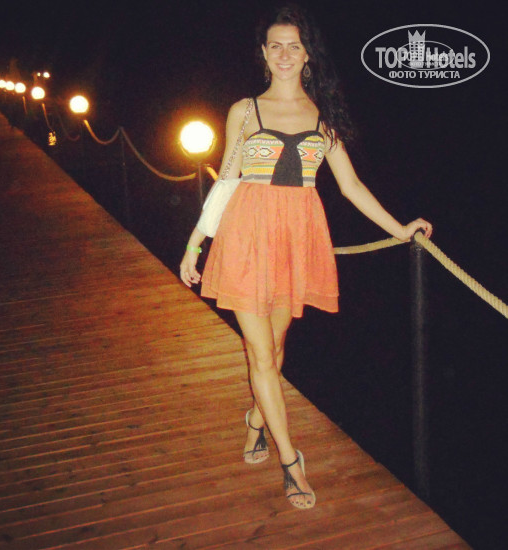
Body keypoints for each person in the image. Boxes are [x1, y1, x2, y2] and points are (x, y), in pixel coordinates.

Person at [180, 4, 432, 510]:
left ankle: (257, 418)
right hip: (246, 237)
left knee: (274, 349)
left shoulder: (323, 116)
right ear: (263, 53)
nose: (284, 54)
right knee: (259, 354)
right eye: (275, 45)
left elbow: (352, 186)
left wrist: (401, 229)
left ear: (307, 54)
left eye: (294, 46)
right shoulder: (244, 110)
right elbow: (226, 180)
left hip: (295, 241)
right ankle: (291, 461)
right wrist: (195, 242)